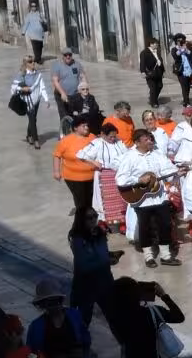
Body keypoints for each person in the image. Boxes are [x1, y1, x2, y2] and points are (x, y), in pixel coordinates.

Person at [117, 128, 180, 267]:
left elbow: (168, 169)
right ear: (137, 143)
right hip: (141, 200)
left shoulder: (157, 154)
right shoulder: (129, 157)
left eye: (150, 139)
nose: (150, 141)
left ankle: (166, 256)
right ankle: (148, 257)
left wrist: (177, 171)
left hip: (160, 197)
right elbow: (120, 180)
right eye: (146, 140)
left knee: (165, 225)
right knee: (145, 228)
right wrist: (138, 179)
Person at [67, 207, 115, 329]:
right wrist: (106, 261)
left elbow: (103, 254)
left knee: (114, 316)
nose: (93, 219)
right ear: (81, 220)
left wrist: (110, 257)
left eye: (95, 216)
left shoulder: (100, 234)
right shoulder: (77, 239)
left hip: (104, 281)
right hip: (86, 286)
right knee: (83, 320)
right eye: (89, 217)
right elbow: (83, 264)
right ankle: (82, 345)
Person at [84, 123, 131, 235]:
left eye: (115, 136)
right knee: (102, 200)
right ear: (103, 135)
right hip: (103, 176)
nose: (113, 138)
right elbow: (82, 155)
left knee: (121, 199)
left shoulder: (119, 143)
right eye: (111, 136)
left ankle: (123, 223)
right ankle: (102, 223)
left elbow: (127, 155)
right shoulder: (97, 143)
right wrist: (93, 162)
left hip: (119, 174)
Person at [54, 114, 100, 218]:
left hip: (92, 176)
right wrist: (56, 172)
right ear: (75, 128)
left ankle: (90, 220)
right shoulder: (65, 141)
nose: (87, 128)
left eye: (87, 125)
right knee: (81, 201)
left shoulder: (92, 137)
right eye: (83, 126)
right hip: (73, 178)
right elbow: (57, 156)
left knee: (91, 199)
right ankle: (82, 222)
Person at [13, 54, 48, 148]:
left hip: (36, 101)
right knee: (32, 119)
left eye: (33, 61)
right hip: (27, 101)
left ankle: (28, 135)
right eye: (30, 61)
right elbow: (13, 88)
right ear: (25, 64)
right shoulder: (21, 75)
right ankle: (36, 140)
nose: (33, 63)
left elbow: (42, 87)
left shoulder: (38, 74)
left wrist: (46, 99)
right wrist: (22, 89)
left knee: (33, 119)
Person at [49, 47, 86, 134]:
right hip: (61, 95)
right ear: (63, 56)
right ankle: (65, 135)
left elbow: (82, 76)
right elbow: (55, 81)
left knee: (76, 115)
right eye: (66, 55)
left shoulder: (77, 64)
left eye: (69, 55)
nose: (68, 57)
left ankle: (76, 133)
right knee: (64, 116)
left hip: (75, 95)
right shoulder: (57, 66)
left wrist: (85, 88)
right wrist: (62, 93)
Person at [170, 34, 192, 107]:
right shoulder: (174, 49)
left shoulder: (187, 48)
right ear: (176, 41)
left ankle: (186, 100)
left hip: (189, 70)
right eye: (179, 40)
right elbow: (176, 56)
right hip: (181, 71)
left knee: (188, 86)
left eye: (182, 40)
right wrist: (180, 49)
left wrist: (186, 50)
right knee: (184, 86)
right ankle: (187, 102)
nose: (180, 41)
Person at [139, 37, 166, 107]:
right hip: (150, 73)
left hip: (158, 72)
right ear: (151, 44)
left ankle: (153, 98)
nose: (157, 45)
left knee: (160, 86)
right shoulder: (144, 52)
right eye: (156, 44)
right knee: (153, 87)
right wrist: (143, 72)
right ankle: (154, 103)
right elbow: (142, 63)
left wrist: (162, 71)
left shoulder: (158, 51)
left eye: (157, 44)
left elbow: (160, 61)